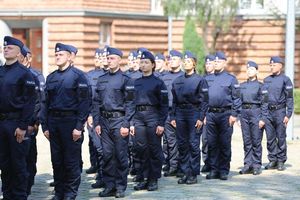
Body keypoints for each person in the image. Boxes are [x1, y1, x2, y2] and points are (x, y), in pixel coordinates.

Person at [40, 43, 90, 200]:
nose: (57, 57)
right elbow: (45, 103)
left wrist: (78, 126)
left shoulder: (79, 76)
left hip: (71, 122)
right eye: (56, 55)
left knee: (71, 161)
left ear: (69, 56)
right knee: (57, 160)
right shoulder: (51, 77)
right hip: (54, 122)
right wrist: (45, 126)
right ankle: (59, 192)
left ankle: (70, 194)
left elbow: (84, 103)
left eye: (61, 54)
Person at [92, 46, 135, 198]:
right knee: (107, 155)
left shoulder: (126, 80)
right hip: (104, 121)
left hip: (119, 121)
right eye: (108, 58)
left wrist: (126, 124)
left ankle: (120, 187)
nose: (109, 61)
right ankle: (109, 186)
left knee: (120, 155)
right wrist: (97, 123)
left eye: (112, 58)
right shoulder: (102, 79)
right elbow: (96, 102)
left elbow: (130, 104)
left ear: (119, 60)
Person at [0, 36, 36, 199]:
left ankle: (20, 195)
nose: (6, 49)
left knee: (18, 164)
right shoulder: (0, 71)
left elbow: (29, 103)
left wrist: (22, 126)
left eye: (10, 48)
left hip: (16, 124)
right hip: (1, 123)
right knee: (4, 164)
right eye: (4, 47)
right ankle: (7, 195)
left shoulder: (24, 74)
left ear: (18, 53)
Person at [131, 51, 168, 191]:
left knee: (154, 148)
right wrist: (132, 122)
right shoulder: (136, 82)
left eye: (146, 62)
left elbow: (164, 105)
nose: (143, 65)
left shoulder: (159, 83)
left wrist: (161, 123)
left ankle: (153, 179)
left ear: (153, 65)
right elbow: (131, 103)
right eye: (141, 62)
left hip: (153, 116)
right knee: (140, 149)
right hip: (139, 117)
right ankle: (143, 178)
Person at [171, 51, 208, 184]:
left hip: (194, 113)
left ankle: (193, 173)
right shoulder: (177, 81)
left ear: (194, 64)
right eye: (184, 61)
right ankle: (185, 172)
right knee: (182, 144)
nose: (186, 63)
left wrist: (201, 117)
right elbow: (174, 101)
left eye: (188, 61)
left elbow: (204, 101)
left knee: (193, 144)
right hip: (180, 113)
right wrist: (173, 116)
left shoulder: (200, 80)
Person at [205, 51, 242, 181]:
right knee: (212, 143)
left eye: (219, 61)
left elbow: (236, 98)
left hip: (225, 115)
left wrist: (234, 114)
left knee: (224, 143)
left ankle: (224, 170)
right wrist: (203, 114)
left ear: (224, 63)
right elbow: (202, 99)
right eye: (215, 62)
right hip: (210, 114)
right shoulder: (207, 78)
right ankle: (214, 170)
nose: (216, 64)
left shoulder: (231, 79)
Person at [19, 45, 46, 195]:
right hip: (11, 122)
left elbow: (39, 101)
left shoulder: (36, 75)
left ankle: (27, 182)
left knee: (28, 154)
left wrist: (35, 122)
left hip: (29, 123)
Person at [263, 56, 294, 171]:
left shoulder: (285, 80)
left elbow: (290, 98)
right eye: (270, 65)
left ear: (280, 65)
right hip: (268, 113)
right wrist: (264, 114)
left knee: (281, 137)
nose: (272, 67)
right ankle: (272, 160)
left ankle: (281, 160)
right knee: (270, 138)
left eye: (274, 65)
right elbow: (263, 99)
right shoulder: (266, 80)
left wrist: (288, 114)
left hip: (280, 112)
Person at [239, 61, 267, 175]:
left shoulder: (261, 86)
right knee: (247, 140)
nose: (249, 71)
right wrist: (238, 117)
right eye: (248, 69)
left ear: (257, 71)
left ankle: (256, 165)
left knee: (256, 140)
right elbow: (238, 102)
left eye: (251, 69)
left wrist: (262, 118)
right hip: (244, 113)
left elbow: (265, 104)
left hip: (256, 112)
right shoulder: (242, 86)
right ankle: (247, 164)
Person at [160, 50, 184, 177]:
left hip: (182, 112)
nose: (171, 61)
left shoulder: (184, 76)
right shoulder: (164, 77)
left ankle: (182, 166)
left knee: (182, 140)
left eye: (174, 59)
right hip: (167, 112)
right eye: (170, 59)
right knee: (170, 141)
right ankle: (173, 165)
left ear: (180, 61)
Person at [86, 48, 106, 189]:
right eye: (97, 57)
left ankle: (107, 175)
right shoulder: (89, 75)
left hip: (110, 117)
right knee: (96, 146)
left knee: (107, 149)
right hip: (94, 115)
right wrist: (88, 115)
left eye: (103, 57)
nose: (100, 60)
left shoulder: (112, 75)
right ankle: (99, 172)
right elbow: (86, 97)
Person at [201, 54, 216, 173]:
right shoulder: (202, 79)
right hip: (205, 113)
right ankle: (206, 162)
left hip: (216, 113)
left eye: (210, 63)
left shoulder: (218, 78)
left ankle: (215, 163)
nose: (208, 66)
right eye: (206, 64)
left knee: (215, 140)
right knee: (205, 140)